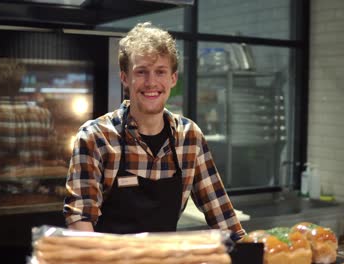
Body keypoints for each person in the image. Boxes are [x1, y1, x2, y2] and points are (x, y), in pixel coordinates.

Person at [63, 22, 246, 241]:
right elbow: (80, 222)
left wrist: (248, 253)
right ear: (124, 78)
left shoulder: (189, 137)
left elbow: (222, 216)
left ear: (173, 78)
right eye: (141, 72)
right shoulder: (96, 137)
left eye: (160, 72)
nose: (151, 83)